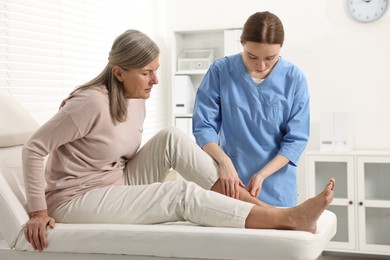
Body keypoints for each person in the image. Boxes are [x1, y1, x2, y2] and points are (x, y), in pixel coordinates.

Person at [22, 29, 334, 253]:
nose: (155, 80)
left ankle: (262, 208)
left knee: (171, 137)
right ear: (118, 72)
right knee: (178, 194)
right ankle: (285, 217)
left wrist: (220, 166)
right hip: (76, 199)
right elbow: (34, 148)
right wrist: (38, 212)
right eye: (147, 73)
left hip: (115, 182)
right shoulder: (89, 102)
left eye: (156, 71)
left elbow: (120, 156)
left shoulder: (136, 98)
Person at [192, 11, 310, 207]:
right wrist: (224, 162)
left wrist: (263, 174)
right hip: (231, 182)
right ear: (241, 42)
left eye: (270, 58)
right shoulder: (221, 71)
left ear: (281, 49)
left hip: (276, 184)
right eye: (252, 56)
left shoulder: (294, 79)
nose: (261, 65)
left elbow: (296, 140)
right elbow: (203, 127)